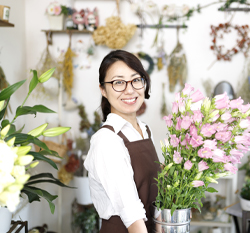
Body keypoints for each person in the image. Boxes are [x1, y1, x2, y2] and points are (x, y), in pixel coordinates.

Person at [84, 50, 160, 233]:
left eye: (135, 80)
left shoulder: (144, 131)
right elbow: (132, 216)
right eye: (118, 82)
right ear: (103, 90)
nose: (129, 89)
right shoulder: (106, 141)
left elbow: (155, 200)